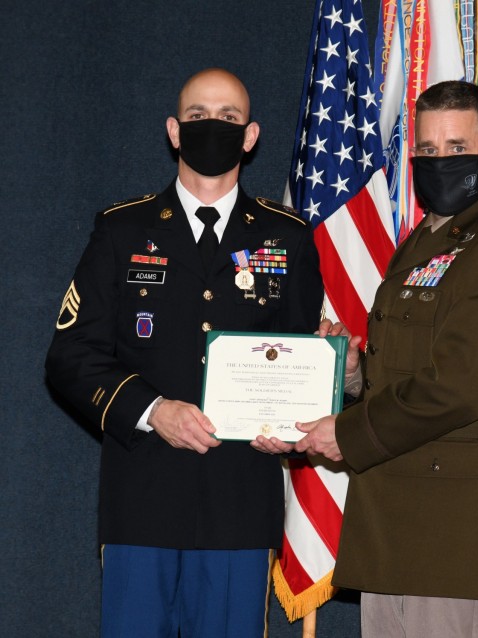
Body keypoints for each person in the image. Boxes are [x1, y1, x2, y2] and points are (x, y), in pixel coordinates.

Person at [45, 68, 324, 638]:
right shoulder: (122, 231)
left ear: (250, 136)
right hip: (141, 500)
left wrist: (295, 417)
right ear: (174, 130)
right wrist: (153, 411)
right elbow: (71, 355)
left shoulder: (287, 236)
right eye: (197, 116)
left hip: (238, 504)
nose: (211, 127)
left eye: (228, 118)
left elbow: (302, 363)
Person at [295, 81, 478, 637]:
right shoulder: (420, 246)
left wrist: (348, 432)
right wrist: (352, 372)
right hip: (392, 521)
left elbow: (456, 387)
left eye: (456, 149)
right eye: (427, 150)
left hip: (455, 533)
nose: (440, 162)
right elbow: (404, 373)